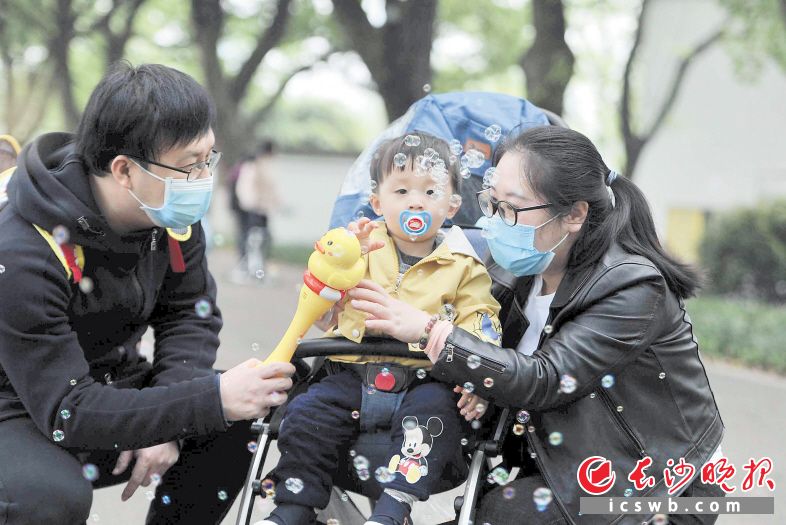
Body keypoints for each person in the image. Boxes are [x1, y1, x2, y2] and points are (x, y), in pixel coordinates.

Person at [349, 126, 725, 524]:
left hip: (662, 484)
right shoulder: (514, 270)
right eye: (491, 204)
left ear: (574, 215)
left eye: (510, 208)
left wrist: (430, 331)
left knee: (501, 514)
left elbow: (545, 379)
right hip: (557, 464)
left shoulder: (633, 287)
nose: (494, 222)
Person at [0, 63, 295, 525]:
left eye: (208, 159)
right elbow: (67, 409)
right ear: (123, 170)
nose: (202, 178)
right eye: (188, 164)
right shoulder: (22, 250)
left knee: (242, 416)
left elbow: (188, 314)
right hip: (21, 405)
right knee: (48, 498)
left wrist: (172, 416)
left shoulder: (168, 217)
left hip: (103, 386)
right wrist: (192, 406)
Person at [262, 132, 502, 525]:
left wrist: (477, 375)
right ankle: (292, 509)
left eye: (430, 191)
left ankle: (392, 510)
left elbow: (480, 318)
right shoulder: (361, 249)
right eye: (402, 190)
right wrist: (338, 262)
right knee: (306, 412)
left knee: (434, 416)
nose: (415, 201)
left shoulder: (465, 264)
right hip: (351, 371)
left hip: (425, 377)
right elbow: (321, 308)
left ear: (453, 204)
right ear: (377, 202)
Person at [232, 140, 281, 282]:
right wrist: (250, 204)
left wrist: (275, 203)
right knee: (252, 240)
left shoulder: (267, 166)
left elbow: (272, 189)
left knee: (262, 239)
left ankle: (257, 268)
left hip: (263, 210)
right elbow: (245, 187)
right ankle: (247, 268)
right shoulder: (253, 165)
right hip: (254, 210)